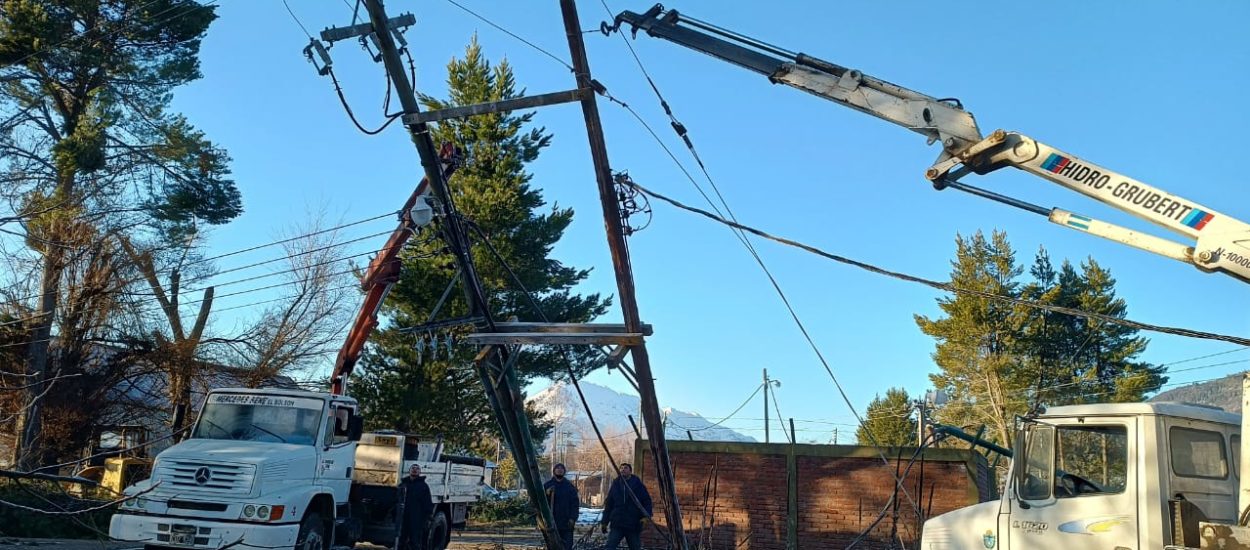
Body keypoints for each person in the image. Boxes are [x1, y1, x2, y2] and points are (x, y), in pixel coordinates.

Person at [600, 463, 652, 550]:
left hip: (633, 524)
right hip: (617, 523)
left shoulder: (638, 485)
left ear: (630, 471)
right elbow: (609, 504)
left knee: (635, 547)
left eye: (625, 468)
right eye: (621, 468)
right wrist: (604, 522)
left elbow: (647, 501)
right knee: (610, 547)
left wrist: (646, 516)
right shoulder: (616, 485)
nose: (623, 469)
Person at [544, 462, 580, 550]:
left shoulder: (569, 486)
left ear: (564, 471)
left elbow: (575, 504)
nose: (560, 470)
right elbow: (541, 502)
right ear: (554, 471)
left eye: (562, 469)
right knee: (553, 546)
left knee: (567, 546)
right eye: (558, 468)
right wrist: (546, 494)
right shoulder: (547, 485)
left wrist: (573, 518)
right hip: (552, 522)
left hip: (566, 522)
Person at [398, 464, 434, 550]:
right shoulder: (403, 484)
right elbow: (396, 500)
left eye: (417, 469)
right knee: (401, 540)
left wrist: (427, 517)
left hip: (417, 519)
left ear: (419, 472)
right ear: (409, 471)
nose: (414, 470)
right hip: (403, 518)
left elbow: (427, 503)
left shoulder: (423, 486)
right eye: (413, 468)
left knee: (415, 541)